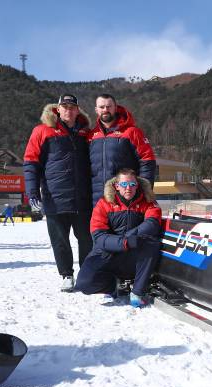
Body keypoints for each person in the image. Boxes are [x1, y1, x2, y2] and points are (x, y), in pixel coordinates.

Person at [23, 94, 93, 292]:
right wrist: (32, 191)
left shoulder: (86, 133)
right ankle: (67, 275)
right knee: (59, 240)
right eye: (65, 106)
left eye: (72, 107)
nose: (68, 110)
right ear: (58, 109)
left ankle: (86, 274)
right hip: (55, 198)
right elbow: (30, 163)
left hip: (82, 198)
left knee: (87, 238)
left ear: (77, 110)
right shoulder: (42, 131)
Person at [74, 168, 162, 308]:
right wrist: (124, 242)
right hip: (109, 252)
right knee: (84, 283)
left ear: (137, 185)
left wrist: (131, 239)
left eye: (132, 185)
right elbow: (99, 236)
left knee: (151, 244)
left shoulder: (148, 202)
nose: (128, 188)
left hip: (134, 254)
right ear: (116, 186)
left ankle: (137, 292)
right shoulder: (104, 204)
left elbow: (152, 223)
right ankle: (113, 286)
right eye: (124, 184)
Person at [89, 93, 156, 206]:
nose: (105, 110)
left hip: (125, 199)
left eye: (109, 106)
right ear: (96, 110)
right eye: (101, 107)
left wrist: (143, 190)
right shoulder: (91, 136)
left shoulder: (132, 132)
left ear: (115, 107)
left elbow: (147, 161)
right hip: (97, 201)